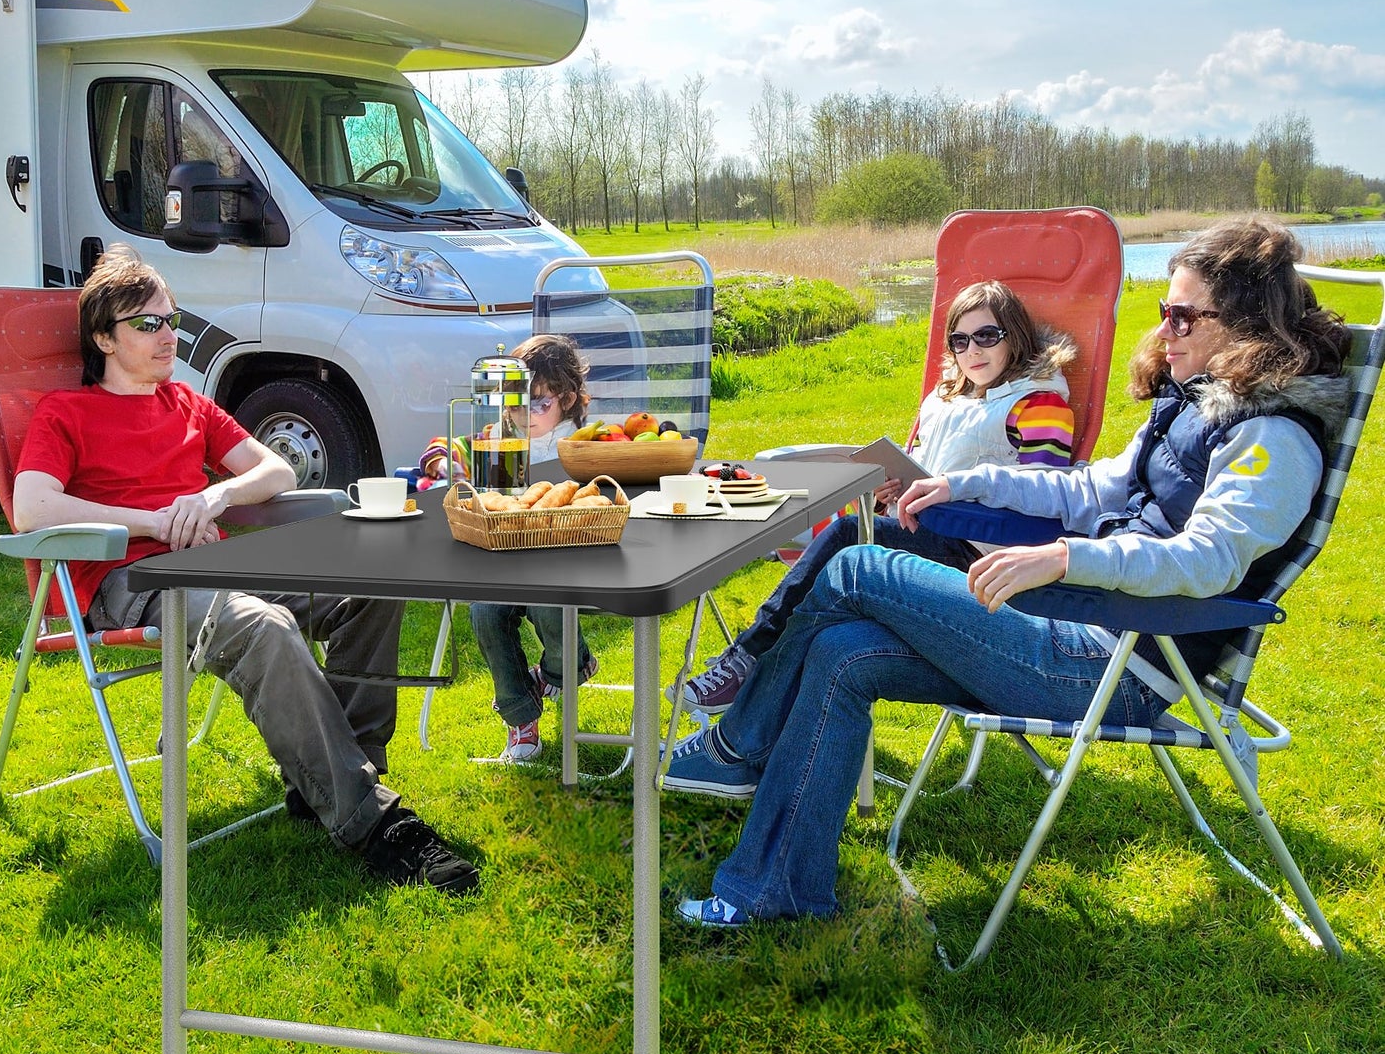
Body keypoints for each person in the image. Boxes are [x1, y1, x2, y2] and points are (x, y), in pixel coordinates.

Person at [662, 216, 1353, 926]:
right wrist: (965, 486)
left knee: (856, 567)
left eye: (1182, 315)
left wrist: (1062, 556)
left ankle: (733, 746)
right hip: (1070, 621)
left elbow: (1207, 559)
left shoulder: (1272, 436)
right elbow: (1086, 489)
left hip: (1110, 668)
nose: (1165, 329)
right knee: (841, 653)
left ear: (1243, 325)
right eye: (1162, 312)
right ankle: (775, 890)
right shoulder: (1189, 408)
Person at [12, 244, 478, 894]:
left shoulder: (187, 405)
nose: (168, 334)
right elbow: (31, 506)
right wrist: (153, 521)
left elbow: (276, 469)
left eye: (172, 319)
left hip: (213, 562)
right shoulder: (67, 413)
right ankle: (374, 824)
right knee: (263, 627)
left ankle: (345, 775)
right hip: (134, 581)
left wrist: (214, 496)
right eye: (147, 324)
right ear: (103, 338)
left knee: (369, 583)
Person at [677, 279, 1076, 714]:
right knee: (831, 603)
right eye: (959, 341)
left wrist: (948, 500)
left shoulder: (1039, 404)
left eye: (986, 336)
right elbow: (926, 470)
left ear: (1013, 336)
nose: (972, 352)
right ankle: (756, 699)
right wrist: (894, 492)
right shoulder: (945, 402)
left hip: (979, 554)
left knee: (848, 535)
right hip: (924, 532)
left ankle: (748, 658)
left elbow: (1042, 495)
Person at [469, 333, 601, 762]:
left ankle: (564, 670)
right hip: (509, 566)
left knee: (549, 605)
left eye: (538, 403)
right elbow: (451, 445)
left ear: (567, 398)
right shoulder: (500, 438)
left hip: (566, 570)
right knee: (484, 612)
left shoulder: (584, 444)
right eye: (513, 403)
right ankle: (520, 716)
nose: (523, 415)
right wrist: (441, 460)